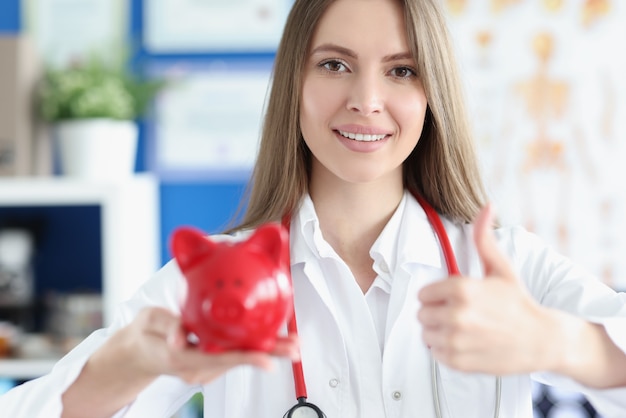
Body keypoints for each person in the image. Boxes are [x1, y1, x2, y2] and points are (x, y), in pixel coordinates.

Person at [2, 0, 626, 416]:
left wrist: (557, 341)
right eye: (334, 64)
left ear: (434, 94)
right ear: (292, 87)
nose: (367, 99)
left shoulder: (503, 265)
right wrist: (130, 364)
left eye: (402, 71)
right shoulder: (215, 276)